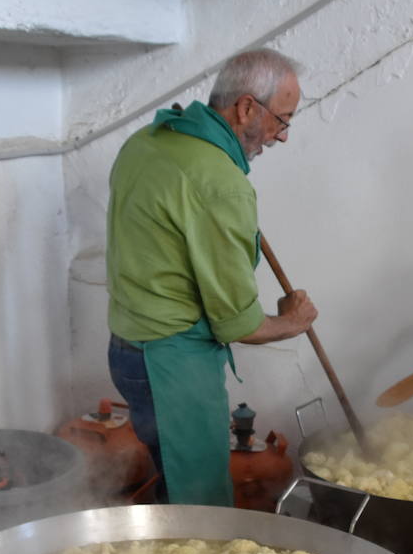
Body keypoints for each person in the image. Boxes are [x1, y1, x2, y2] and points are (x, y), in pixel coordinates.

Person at [105, 48, 318, 506]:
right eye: (282, 120)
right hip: (172, 363)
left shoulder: (146, 141)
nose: (282, 136)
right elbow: (238, 325)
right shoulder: (221, 183)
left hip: (127, 351)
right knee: (201, 503)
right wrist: (292, 321)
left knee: (171, 478)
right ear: (245, 108)